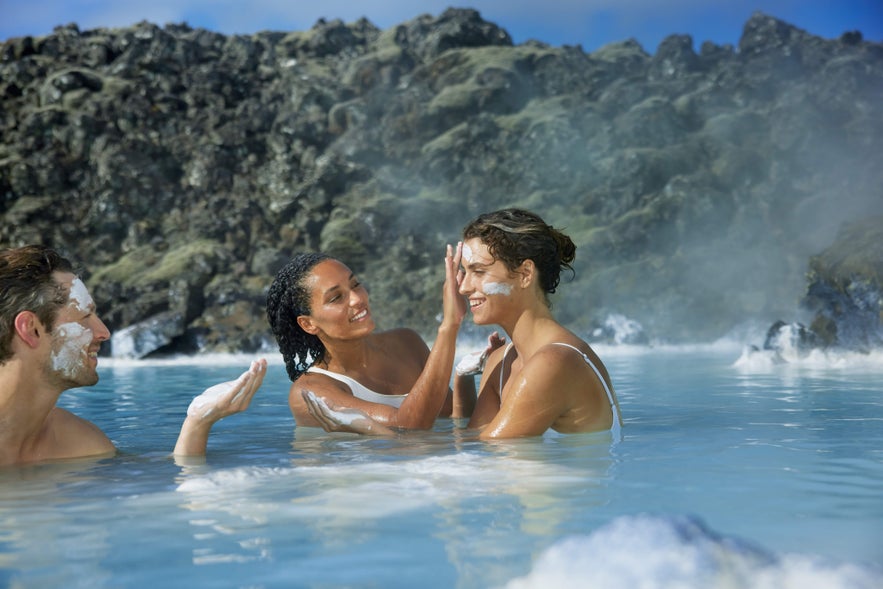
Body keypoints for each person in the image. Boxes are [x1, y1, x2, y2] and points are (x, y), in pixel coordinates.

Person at [302, 208, 622, 439]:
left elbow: (475, 463)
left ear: (525, 274)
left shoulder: (554, 362)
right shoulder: (501, 359)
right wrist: (463, 378)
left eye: (478, 272)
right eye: (463, 272)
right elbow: (467, 442)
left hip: (581, 526)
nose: (464, 287)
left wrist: (369, 429)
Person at [0, 245, 266, 466]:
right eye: (85, 317)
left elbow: (155, 490)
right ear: (31, 329)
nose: (104, 332)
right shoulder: (76, 445)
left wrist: (198, 422)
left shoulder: (81, 444)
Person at [266, 248, 500, 430]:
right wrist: (450, 325)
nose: (358, 298)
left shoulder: (406, 343)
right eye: (336, 298)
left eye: (355, 284)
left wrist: (464, 375)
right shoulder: (309, 392)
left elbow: (453, 418)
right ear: (308, 324)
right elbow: (409, 426)